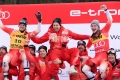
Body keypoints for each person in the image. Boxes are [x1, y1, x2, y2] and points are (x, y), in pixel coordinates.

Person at [0, 10, 42, 80]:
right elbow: (1, 26)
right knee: (5, 60)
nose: (22, 26)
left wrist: (39, 21)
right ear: (18, 25)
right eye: (21, 25)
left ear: (25, 26)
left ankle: (26, 76)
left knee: (26, 58)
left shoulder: (28, 34)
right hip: (11, 52)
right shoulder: (12, 31)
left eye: (23, 25)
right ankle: (6, 77)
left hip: (21, 52)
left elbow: (38, 30)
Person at [82, 4, 113, 80]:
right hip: (96, 58)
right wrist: (83, 56)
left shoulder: (104, 31)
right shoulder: (91, 38)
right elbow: (86, 48)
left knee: (102, 70)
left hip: (104, 57)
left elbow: (110, 20)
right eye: (92, 26)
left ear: (98, 27)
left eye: (94, 26)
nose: (93, 27)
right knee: (84, 69)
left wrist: (106, 10)